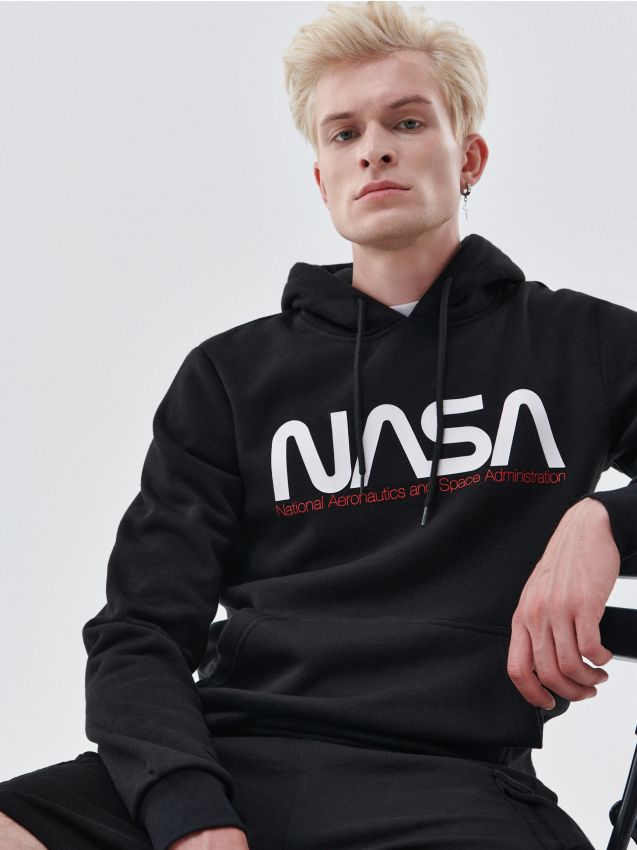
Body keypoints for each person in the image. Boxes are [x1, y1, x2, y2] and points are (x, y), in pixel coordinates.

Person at [1, 2, 634, 849]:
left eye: (406, 121)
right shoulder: (230, 377)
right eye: (343, 133)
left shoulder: (579, 345)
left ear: (468, 157)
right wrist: (191, 820)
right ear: (321, 178)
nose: (373, 148)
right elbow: (139, 630)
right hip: (228, 763)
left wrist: (604, 522)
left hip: (448, 780)